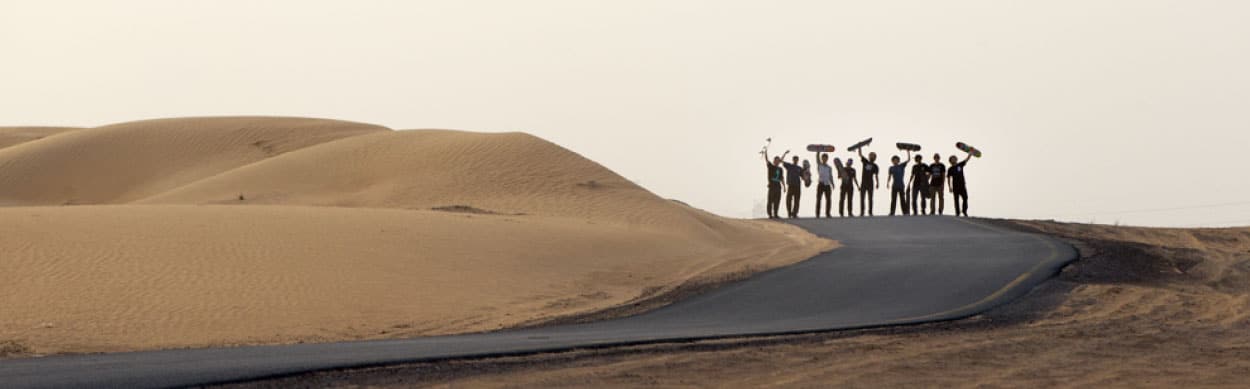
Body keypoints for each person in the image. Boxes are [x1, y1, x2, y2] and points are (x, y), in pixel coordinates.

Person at [762, 149, 788, 219]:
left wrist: (784, 187)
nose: (777, 161)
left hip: (778, 186)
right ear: (774, 161)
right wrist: (765, 152)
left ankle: (776, 214)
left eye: (778, 160)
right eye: (776, 160)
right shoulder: (771, 166)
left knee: (777, 200)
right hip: (772, 186)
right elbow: (767, 160)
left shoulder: (780, 169)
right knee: (770, 200)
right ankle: (770, 214)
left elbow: (782, 178)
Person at [947, 152, 973, 217]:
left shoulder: (960, 165)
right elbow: (948, 178)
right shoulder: (950, 169)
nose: (953, 160)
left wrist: (970, 154)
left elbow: (967, 159)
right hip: (955, 186)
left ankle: (964, 211)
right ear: (950, 161)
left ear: (956, 159)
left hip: (962, 185)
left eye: (954, 158)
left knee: (965, 198)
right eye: (952, 159)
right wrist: (950, 187)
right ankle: (957, 212)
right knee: (956, 200)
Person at [887, 150, 912, 216]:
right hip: (894, 186)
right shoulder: (891, 168)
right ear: (892, 161)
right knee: (893, 200)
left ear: (898, 161)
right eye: (894, 160)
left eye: (896, 160)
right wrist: (888, 183)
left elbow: (908, 159)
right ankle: (892, 212)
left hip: (901, 185)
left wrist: (908, 152)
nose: (895, 161)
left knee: (902, 199)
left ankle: (905, 212)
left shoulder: (901, 166)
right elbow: (889, 176)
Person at [857, 149, 880, 217]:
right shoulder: (865, 161)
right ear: (869, 157)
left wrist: (877, 183)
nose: (872, 157)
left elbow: (876, 175)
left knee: (870, 198)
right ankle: (862, 212)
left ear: (875, 158)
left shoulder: (875, 166)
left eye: (873, 156)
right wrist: (859, 147)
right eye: (871, 156)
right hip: (863, 183)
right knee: (862, 198)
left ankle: (870, 212)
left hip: (870, 183)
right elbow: (860, 155)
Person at [814, 151, 834, 218]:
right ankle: (817, 214)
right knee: (819, 199)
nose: (824, 159)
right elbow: (817, 158)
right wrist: (818, 152)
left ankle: (828, 213)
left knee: (828, 199)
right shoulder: (820, 165)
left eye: (826, 158)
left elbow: (830, 176)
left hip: (827, 185)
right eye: (823, 158)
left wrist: (832, 183)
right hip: (821, 184)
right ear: (822, 158)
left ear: (827, 159)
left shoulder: (829, 167)